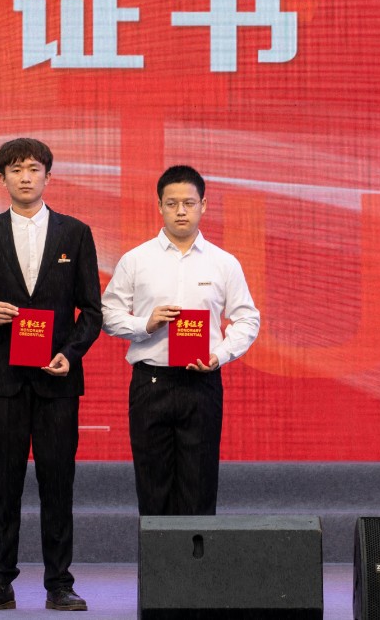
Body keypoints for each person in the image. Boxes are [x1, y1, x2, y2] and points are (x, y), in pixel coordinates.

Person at [0, 138, 102, 613]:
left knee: (57, 483)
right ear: (1, 178)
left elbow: (91, 310)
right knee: (3, 483)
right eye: (16, 169)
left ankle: (59, 583)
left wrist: (70, 354)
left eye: (34, 168)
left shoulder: (75, 233)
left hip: (56, 378)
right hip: (3, 378)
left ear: (48, 176)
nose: (25, 177)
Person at [101, 165, 260, 516]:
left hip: (201, 382)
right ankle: (157, 554)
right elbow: (108, 314)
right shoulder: (136, 260)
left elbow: (248, 318)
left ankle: (197, 555)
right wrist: (145, 323)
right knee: (152, 486)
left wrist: (219, 355)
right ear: (159, 206)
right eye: (172, 203)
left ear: (204, 205)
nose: (181, 211)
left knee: (198, 487)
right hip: (151, 383)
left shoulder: (223, 262)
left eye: (189, 203)